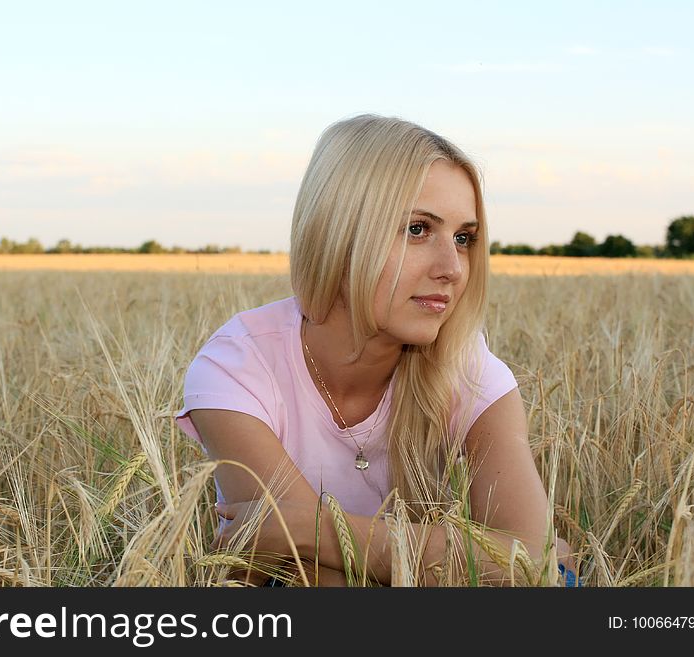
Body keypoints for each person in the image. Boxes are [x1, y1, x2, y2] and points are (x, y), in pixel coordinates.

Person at [175, 114, 580, 587]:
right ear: (338, 231)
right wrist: (473, 558)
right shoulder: (236, 369)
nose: (452, 268)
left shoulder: (464, 363)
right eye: (416, 229)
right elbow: (315, 585)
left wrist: (305, 528)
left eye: (463, 238)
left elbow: (535, 565)